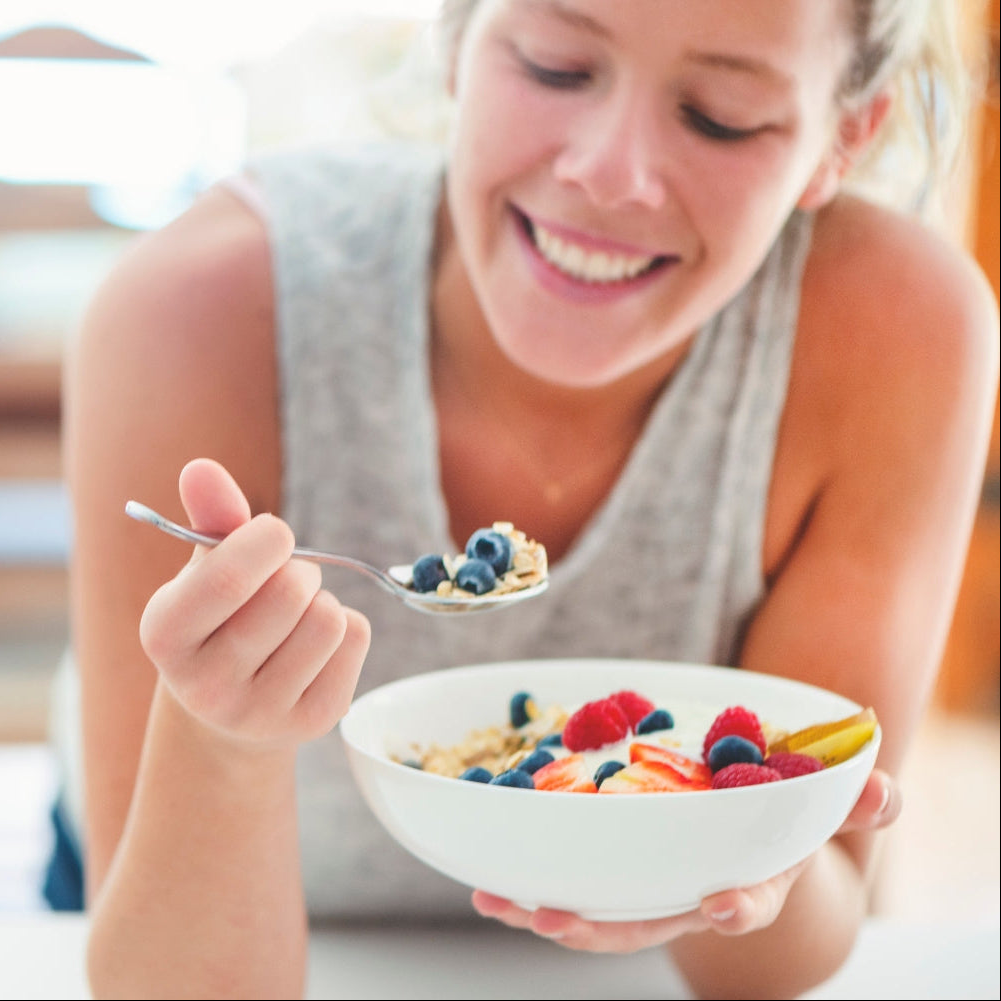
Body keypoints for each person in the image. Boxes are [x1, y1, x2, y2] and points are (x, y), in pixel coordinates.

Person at [53, 1, 999, 997]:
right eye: (553, 67)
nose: (607, 171)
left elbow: (789, 951)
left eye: (719, 115)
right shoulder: (200, 309)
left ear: (840, 138)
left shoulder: (897, 333)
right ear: (455, 41)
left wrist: (743, 852)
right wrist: (221, 744)